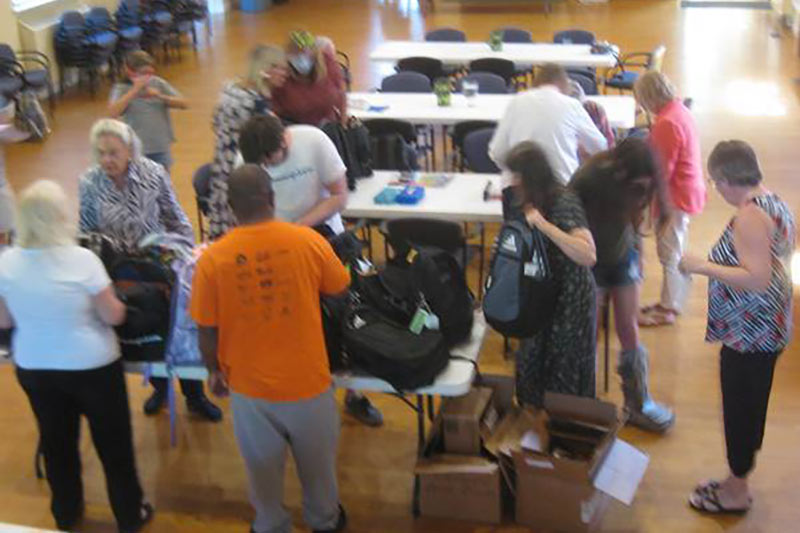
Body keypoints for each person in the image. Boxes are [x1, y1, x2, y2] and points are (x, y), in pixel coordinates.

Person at [190, 164, 349, 533]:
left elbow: (206, 329)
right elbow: (339, 288)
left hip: (249, 389)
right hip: (309, 383)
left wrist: (214, 371)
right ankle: (324, 521)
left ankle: (271, 524)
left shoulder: (212, 260)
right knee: (320, 473)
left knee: (262, 477)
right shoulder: (308, 241)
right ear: (273, 199)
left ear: (230, 206)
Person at [0, 180, 153, 532]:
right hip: (92, 366)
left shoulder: (7, 263)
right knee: (114, 444)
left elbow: (5, 320)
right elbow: (113, 316)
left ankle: (66, 513)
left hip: (36, 367)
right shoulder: (83, 260)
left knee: (57, 443)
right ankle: (130, 515)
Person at [237, 113, 384, 426]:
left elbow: (340, 196)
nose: (267, 166)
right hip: (274, 246)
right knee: (291, 323)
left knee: (343, 317)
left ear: (284, 141)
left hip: (324, 238)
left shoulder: (313, 141)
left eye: (271, 159)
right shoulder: (248, 155)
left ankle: (354, 395)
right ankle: (300, 397)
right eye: (260, 163)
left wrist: (299, 228)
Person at [79, 118, 222, 422]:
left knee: (176, 332)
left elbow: (176, 218)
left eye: (113, 152)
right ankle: (159, 387)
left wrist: (185, 260)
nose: (106, 160)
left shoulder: (153, 173)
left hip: (160, 267)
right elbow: (87, 231)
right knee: (145, 333)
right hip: (121, 275)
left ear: (130, 149)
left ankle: (194, 395)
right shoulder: (89, 182)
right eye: (101, 153)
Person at [680, 140, 795, 514]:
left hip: (752, 333)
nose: (716, 191)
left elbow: (757, 279)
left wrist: (702, 266)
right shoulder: (773, 201)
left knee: (741, 408)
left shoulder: (749, 217)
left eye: (715, 183)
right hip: (769, 323)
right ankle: (736, 479)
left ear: (729, 180)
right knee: (749, 403)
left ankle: (736, 493)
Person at [571, 138, 675, 433]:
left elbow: (634, 220)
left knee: (628, 327)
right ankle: (583, 403)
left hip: (621, 255)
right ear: (619, 168)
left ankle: (638, 404)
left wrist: (637, 258)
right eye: (634, 184)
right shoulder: (591, 175)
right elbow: (566, 212)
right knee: (587, 333)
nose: (641, 190)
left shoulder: (646, 178)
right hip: (589, 260)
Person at [505, 141, 598, 407]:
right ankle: (532, 426)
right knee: (531, 359)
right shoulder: (520, 200)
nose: (513, 182)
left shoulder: (563, 201)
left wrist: (544, 226)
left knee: (564, 366)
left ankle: (564, 433)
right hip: (539, 294)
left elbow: (588, 254)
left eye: (518, 176)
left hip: (570, 298)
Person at [634, 71, 706, 326]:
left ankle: (669, 309)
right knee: (675, 247)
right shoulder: (679, 111)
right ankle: (670, 302)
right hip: (686, 190)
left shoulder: (667, 122)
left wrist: (649, 205)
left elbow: (661, 170)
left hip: (674, 197)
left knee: (670, 254)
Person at [208, 44, 286, 239]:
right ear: (266, 70)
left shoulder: (230, 89)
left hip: (221, 166)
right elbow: (273, 141)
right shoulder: (254, 103)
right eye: (281, 68)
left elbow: (214, 123)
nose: (285, 74)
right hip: (243, 172)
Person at [489, 63, 608, 186]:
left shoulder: (516, 102)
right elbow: (600, 146)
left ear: (535, 84)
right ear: (564, 86)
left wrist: (513, 170)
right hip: (561, 188)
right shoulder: (572, 105)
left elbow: (497, 152)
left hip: (520, 188)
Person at [108, 50, 188, 171]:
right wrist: (135, 90)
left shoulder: (158, 83)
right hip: (137, 149)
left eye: (150, 73)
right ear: (130, 72)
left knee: (162, 183)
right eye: (143, 73)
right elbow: (113, 112)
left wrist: (160, 96)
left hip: (161, 146)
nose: (148, 77)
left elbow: (183, 103)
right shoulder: (121, 88)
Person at [270, 30, 347, 126]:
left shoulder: (328, 64)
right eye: (296, 54)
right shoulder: (281, 73)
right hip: (294, 129)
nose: (301, 58)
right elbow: (272, 109)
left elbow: (341, 95)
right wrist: (271, 87)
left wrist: (344, 124)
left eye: (306, 53)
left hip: (328, 128)